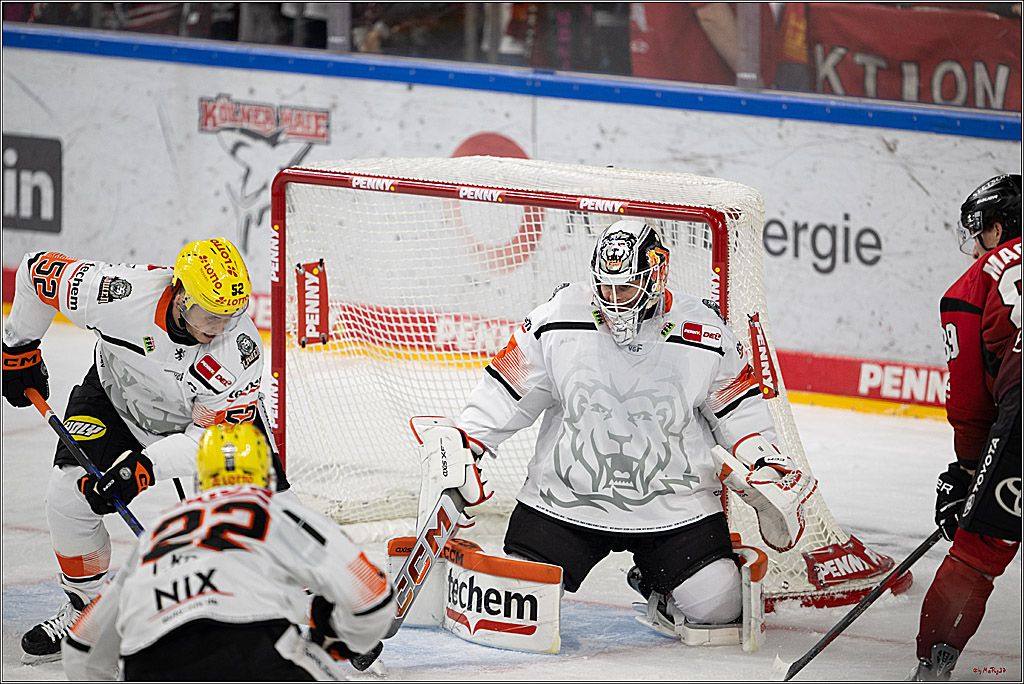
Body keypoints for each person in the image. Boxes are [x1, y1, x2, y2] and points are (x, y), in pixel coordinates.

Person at [422, 219, 815, 642]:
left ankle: (657, 583)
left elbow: (738, 408)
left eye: (624, 288)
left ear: (655, 276)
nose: (612, 301)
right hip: (566, 501)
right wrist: (469, 440)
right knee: (520, 603)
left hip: (674, 508)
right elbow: (509, 389)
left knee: (718, 609)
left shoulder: (705, 331)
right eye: (604, 288)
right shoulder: (557, 317)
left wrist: (764, 462)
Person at [2, 237, 291, 663]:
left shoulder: (239, 353)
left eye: (230, 317)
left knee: (271, 520)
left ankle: (312, 618)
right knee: (69, 496)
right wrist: (18, 348)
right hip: (117, 400)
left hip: (210, 427)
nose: (217, 328)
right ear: (179, 293)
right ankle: (88, 607)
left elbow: (208, 441)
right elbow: (35, 271)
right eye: (208, 314)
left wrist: (144, 468)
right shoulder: (115, 294)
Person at [62, 422, 395, 680]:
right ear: (267, 476)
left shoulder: (157, 533)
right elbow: (372, 598)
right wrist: (338, 643)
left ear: (200, 481)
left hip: (149, 662)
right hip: (255, 649)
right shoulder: (278, 512)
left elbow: (82, 647)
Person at [913, 174, 1022, 681]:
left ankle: (934, 665)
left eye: (978, 234)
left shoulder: (973, 284)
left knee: (978, 551)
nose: (973, 247)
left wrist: (968, 471)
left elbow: (971, 400)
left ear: (997, 230)